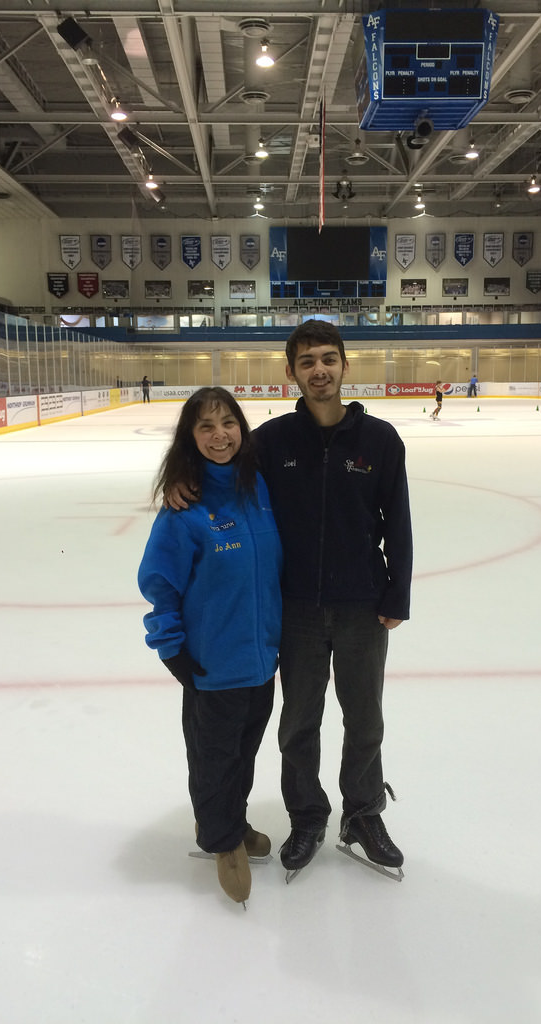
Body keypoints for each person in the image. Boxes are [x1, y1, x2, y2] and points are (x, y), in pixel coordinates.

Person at [167, 322, 413, 879]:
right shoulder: (273, 443)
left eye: (329, 359)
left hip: (361, 606)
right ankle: (307, 815)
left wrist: (397, 590)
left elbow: (396, 521)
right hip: (295, 608)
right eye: (308, 362)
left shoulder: (380, 440)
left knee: (364, 719)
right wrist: (180, 481)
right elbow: (221, 469)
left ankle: (364, 813)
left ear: (345, 366)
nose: (319, 370)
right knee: (299, 721)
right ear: (291, 372)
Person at [138, 387, 282, 906]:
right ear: (189, 437)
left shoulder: (260, 487)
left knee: (243, 756)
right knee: (213, 759)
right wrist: (171, 647)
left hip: (262, 661)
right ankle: (221, 841)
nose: (219, 436)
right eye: (205, 427)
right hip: (212, 665)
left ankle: (233, 821)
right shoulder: (186, 508)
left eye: (228, 424)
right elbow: (159, 582)